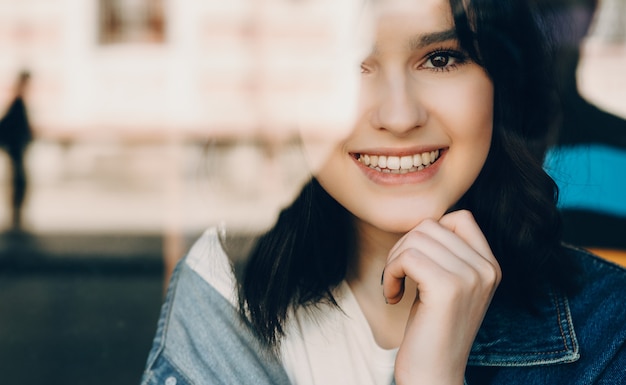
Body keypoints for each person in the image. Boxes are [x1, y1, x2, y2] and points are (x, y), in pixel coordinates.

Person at [141, 0, 626, 384]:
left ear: (500, 85)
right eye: (351, 64)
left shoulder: (608, 331)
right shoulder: (226, 282)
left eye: (440, 58)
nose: (398, 115)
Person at [0, 71, 33, 231]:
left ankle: (16, 218)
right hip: (17, 151)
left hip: (17, 151)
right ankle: (16, 218)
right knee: (19, 183)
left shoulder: (17, 104)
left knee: (18, 182)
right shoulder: (17, 104)